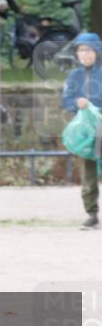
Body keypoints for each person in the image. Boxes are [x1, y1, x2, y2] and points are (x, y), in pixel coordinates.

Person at [62, 33, 102, 230]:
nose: (84, 54)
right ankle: (92, 215)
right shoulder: (74, 76)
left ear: (97, 51)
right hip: (86, 131)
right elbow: (67, 100)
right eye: (80, 50)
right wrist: (76, 104)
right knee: (88, 174)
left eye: (88, 49)